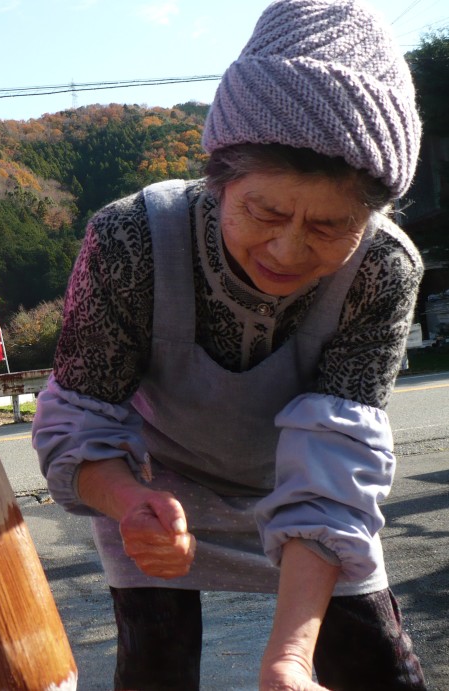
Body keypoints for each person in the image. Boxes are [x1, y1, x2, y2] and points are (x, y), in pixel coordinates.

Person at [32, 1, 429, 689]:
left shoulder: (382, 267)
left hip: (304, 485)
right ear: (218, 177)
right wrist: (127, 501)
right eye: (263, 211)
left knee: (378, 667)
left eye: (329, 225)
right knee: (154, 666)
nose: (285, 249)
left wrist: (286, 658)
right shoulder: (129, 238)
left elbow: (334, 468)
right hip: (156, 483)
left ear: (371, 216)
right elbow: (78, 421)